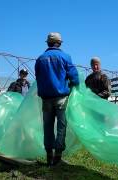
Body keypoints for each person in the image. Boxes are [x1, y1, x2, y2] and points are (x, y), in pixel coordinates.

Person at [35, 32, 79, 166]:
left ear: (48, 43)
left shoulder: (40, 59)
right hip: (61, 98)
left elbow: (38, 77)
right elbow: (75, 78)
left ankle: (49, 156)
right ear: (59, 43)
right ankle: (58, 157)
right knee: (61, 127)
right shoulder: (65, 57)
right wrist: (72, 85)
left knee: (47, 126)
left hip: (46, 99)